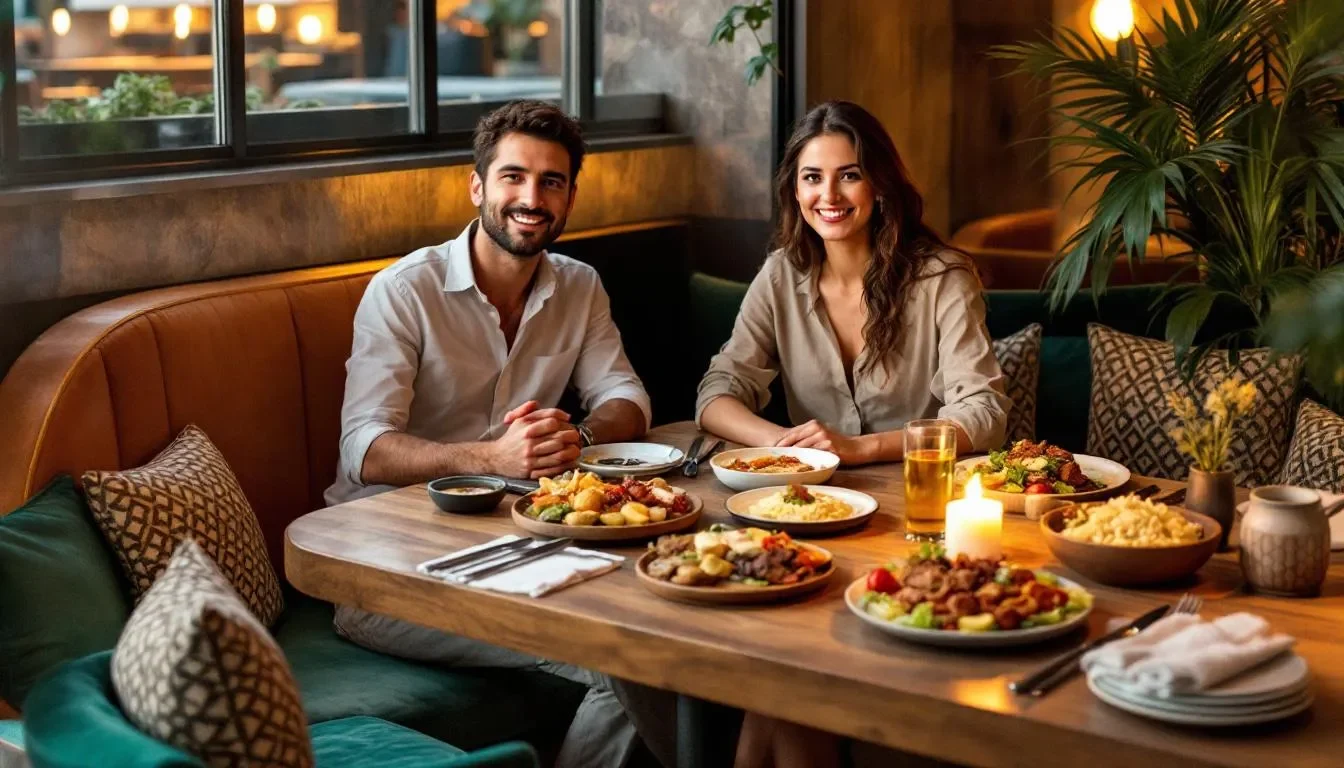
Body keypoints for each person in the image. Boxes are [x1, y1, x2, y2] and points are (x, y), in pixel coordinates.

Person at [325, 100, 673, 768]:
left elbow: (627, 399)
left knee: (670, 626)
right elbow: (362, 448)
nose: (531, 197)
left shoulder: (580, 285)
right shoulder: (404, 291)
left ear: (570, 195)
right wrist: (493, 457)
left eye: (552, 182)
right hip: (381, 573)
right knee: (625, 656)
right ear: (478, 186)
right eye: (513, 177)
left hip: (511, 541)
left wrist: (578, 431)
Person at [696, 101, 1010, 768]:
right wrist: (781, 443)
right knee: (772, 681)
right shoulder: (782, 274)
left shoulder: (941, 276)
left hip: (918, 529)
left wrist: (861, 447)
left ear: (880, 184)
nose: (828, 196)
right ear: (793, 188)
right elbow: (718, 394)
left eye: (849, 176)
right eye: (812, 178)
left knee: (779, 687)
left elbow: (984, 412)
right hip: (809, 521)